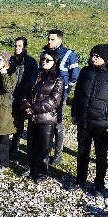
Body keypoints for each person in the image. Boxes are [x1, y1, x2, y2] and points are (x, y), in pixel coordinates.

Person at [68, 44, 108, 195]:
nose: (93, 58)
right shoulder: (85, 71)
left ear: (105, 59)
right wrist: (75, 113)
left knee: (101, 156)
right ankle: (79, 181)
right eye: (92, 55)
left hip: (102, 123)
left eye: (97, 56)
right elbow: (77, 95)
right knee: (82, 153)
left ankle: (99, 185)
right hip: (84, 120)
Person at [19, 49, 64, 181]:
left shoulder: (58, 79)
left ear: (54, 62)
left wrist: (34, 108)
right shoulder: (35, 74)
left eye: (47, 60)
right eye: (43, 59)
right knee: (31, 144)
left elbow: (54, 100)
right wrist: (26, 105)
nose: (44, 62)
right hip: (33, 117)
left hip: (46, 118)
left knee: (44, 147)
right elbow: (26, 91)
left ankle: (42, 171)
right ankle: (31, 167)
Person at [39, 29, 80, 165]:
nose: (49, 42)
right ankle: (44, 151)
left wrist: (66, 90)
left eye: (52, 39)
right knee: (44, 122)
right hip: (43, 95)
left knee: (58, 124)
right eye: (48, 39)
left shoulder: (69, 54)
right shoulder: (44, 53)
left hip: (59, 96)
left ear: (60, 40)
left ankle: (58, 154)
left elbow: (75, 75)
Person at [9, 36, 39, 153]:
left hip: (22, 96)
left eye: (20, 46)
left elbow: (34, 80)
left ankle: (15, 143)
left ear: (25, 47)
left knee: (19, 121)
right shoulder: (10, 60)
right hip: (10, 94)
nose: (17, 48)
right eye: (16, 46)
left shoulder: (31, 62)